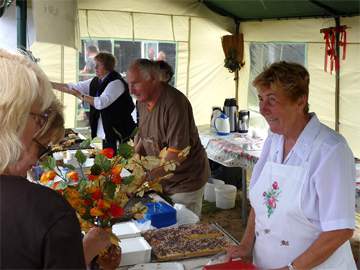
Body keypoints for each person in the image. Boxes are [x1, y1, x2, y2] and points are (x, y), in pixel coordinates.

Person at [226, 62, 356, 269]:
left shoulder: (330, 150)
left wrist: (291, 268)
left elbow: (340, 229)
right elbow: (262, 202)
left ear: (300, 101)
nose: (262, 109)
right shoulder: (274, 139)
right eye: (260, 99)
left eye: (272, 100)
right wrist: (246, 244)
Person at [0, 49, 112, 269]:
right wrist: (82, 254)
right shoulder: (49, 213)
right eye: (40, 116)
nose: (41, 125)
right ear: (14, 117)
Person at [127, 59, 210, 217]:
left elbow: (176, 156)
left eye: (135, 83)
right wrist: (131, 165)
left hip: (185, 181)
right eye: (129, 84)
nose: (131, 90)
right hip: (161, 180)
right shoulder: (141, 102)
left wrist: (143, 179)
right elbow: (142, 137)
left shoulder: (174, 103)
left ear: (153, 78)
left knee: (181, 229)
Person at [51, 52, 136, 152]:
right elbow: (72, 87)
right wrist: (50, 85)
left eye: (98, 65)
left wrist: (80, 95)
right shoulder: (96, 81)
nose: (94, 67)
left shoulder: (116, 82)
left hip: (119, 131)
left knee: (119, 163)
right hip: (102, 133)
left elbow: (100, 103)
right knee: (102, 159)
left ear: (107, 66)